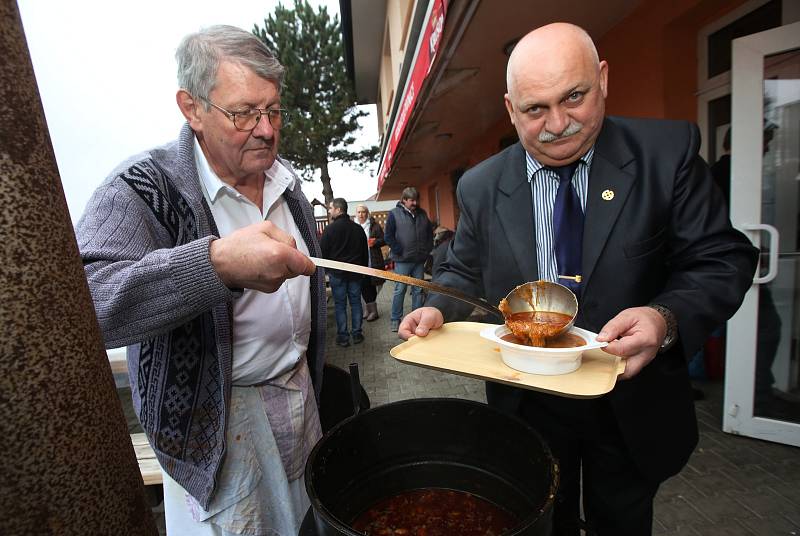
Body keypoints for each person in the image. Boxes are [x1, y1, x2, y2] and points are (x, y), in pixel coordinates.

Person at [399, 23, 758, 536]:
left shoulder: (667, 153)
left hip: (630, 403)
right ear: (509, 108)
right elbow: (463, 270)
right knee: (543, 522)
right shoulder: (479, 186)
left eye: (574, 97)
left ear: (603, 79)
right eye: (535, 109)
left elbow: (723, 259)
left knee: (623, 524)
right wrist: (440, 309)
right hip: (528, 403)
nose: (558, 124)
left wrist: (664, 317)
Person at [75, 25, 326, 535]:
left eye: (273, 110)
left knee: (310, 521)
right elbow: (85, 303)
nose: (266, 130)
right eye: (243, 113)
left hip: (301, 399)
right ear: (191, 108)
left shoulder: (287, 182)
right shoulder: (141, 187)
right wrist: (215, 266)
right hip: (215, 427)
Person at [384, 187, 434, 332]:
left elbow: (429, 234)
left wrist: (427, 249)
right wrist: (398, 250)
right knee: (400, 289)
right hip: (402, 260)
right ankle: (395, 319)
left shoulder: (422, 213)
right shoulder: (394, 214)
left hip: (419, 259)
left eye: (416, 200)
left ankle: (417, 319)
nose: (415, 203)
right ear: (404, 200)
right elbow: (388, 236)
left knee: (418, 290)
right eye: (411, 200)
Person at [320, 198, 368, 347]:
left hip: (337, 274)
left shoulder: (329, 230)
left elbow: (322, 253)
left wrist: (327, 270)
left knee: (340, 305)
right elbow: (364, 252)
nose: (329, 211)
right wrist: (363, 270)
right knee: (355, 303)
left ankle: (343, 337)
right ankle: (357, 333)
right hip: (355, 274)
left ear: (338, 210)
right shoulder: (357, 229)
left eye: (331, 208)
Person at [355, 204, 386, 321]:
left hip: (373, 260)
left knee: (373, 285)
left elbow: (384, 240)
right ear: (356, 214)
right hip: (358, 261)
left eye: (363, 212)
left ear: (367, 213)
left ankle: (372, 309)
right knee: (363, 285)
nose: (361, 215)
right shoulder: (354, 226)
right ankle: (368, 310)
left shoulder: (374, 226)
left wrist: (375, 242)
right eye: (359, 212)